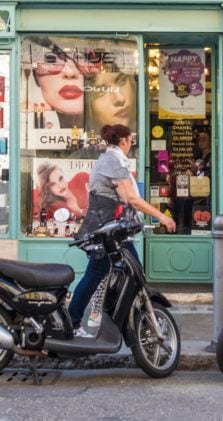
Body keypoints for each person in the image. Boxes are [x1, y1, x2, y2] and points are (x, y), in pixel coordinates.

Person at [67, 124, 177, 334]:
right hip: (107, 231)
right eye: (130, 142)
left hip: (113, 230)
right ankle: (73, 322)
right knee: (101, 273)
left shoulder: (113, 160)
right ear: (124, 140)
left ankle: (121, 317)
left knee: (124, 272)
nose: (131, 146)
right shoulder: (112, 160)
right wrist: (162, 216)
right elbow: (131, 198)